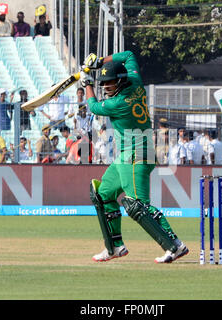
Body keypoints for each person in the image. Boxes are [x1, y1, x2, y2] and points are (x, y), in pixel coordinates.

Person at [80, 51, 188, 263]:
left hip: (137, 155)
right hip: (126, 155)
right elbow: (129, 55)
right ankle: (115, 246)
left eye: (108, 84)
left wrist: (87, 84)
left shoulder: (118, 103)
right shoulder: (135, 81)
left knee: (137, 205)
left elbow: (92, 106)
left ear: (119, 82)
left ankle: (174, 245)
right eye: (103, 84)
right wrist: (101, 62)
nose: (105, 88)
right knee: (102, 194)